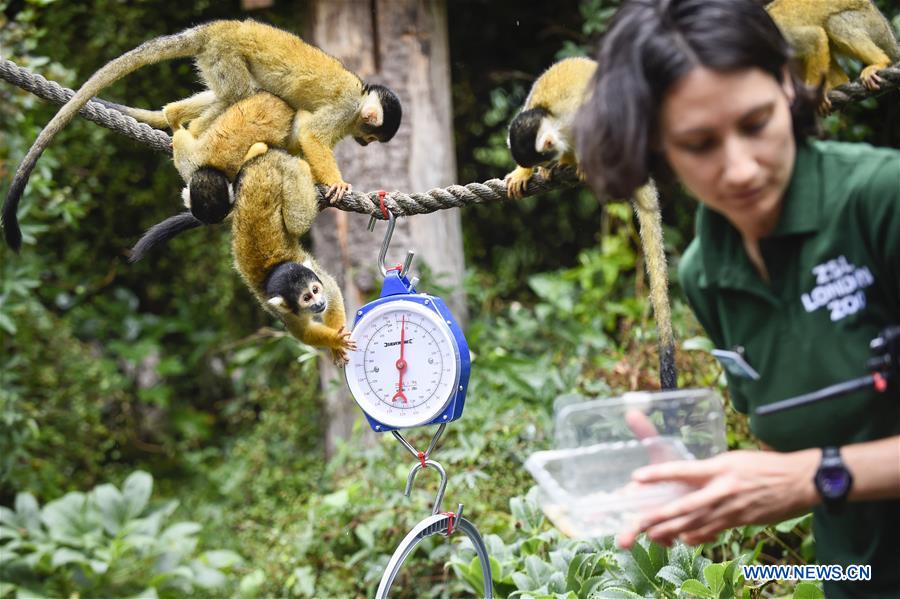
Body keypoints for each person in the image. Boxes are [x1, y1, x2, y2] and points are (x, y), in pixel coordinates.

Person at [573, 0, 900, 596]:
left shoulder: (881, 201)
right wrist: (705, 491)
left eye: (755, 125)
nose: (742, 169)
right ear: (655, 149)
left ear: (789, 87)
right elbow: (789, 462)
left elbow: (814, 475)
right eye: (699, 144)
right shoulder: (709, 272)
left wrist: (820, 476)